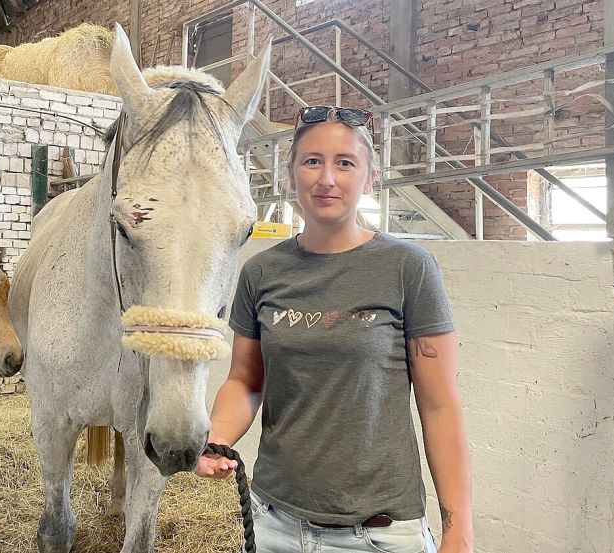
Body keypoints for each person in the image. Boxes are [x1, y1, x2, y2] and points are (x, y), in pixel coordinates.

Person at [196, 106, 473, 553]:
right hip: (275, 526)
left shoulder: (408, 268)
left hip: (380, 532)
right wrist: (218, 439)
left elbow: (439, 406)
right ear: (292, 175)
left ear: (369, 179)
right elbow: (245, 382)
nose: (327, 178)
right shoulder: (261, 272)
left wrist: (458, 529)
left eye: (345, 163)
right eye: (312, 161)